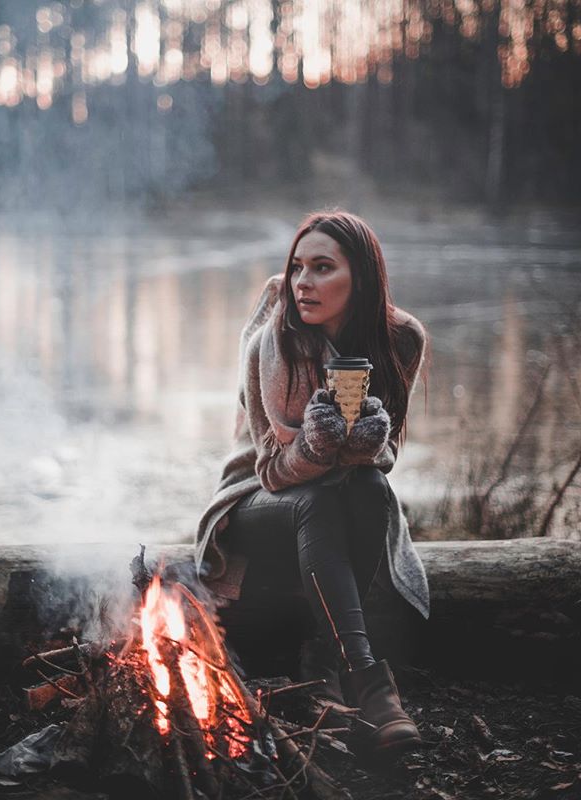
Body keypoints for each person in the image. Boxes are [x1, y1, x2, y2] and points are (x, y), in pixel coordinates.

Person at [194, 210, 430, 759]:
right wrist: (318, 444)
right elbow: (271, 470)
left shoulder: (401, 339)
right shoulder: (272, 338)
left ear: (363, 278)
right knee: (319, 499)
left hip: (345, 498)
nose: (303, 282)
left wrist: (369, 439)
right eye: (298, 267)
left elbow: (388, 456)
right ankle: (370, 684)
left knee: (372, 491)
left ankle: (324, 662)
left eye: (323, 268)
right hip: (253, 502)